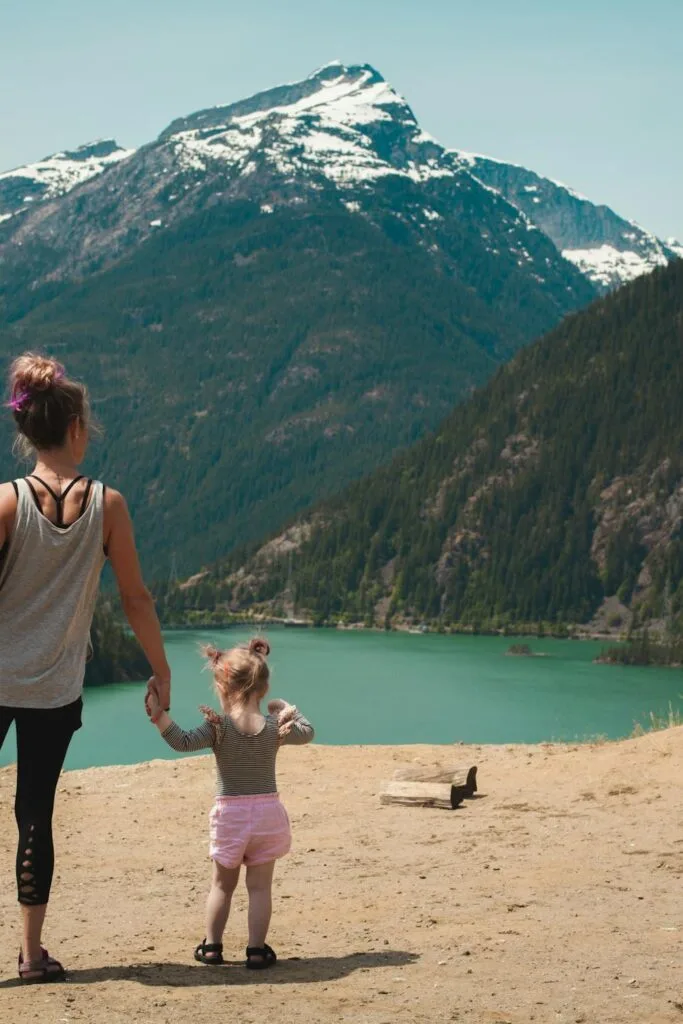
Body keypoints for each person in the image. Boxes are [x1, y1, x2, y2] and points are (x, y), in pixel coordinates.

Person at [0, 352, 171, 983]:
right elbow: (135, 599)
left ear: (26, 433)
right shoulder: (109, 506)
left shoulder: (6, 503)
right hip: (53, 688)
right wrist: (162, 670)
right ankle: (30, 955)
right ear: (77, 430)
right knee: (35, 816)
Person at [145, 637, 313, 969]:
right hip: (268, 816)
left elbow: (182, 741)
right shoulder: (274, 727)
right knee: (260, 888)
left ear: (222, 687)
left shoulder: (218, 729)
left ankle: (212, 947)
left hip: (231, 818)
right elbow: (307, 732)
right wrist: (285, 709)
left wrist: (158, 716)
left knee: (222, 885)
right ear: (262, 689)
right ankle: (255, 950)